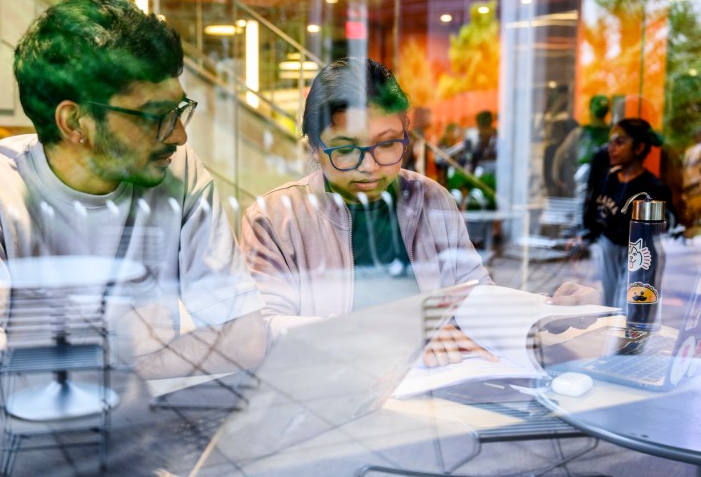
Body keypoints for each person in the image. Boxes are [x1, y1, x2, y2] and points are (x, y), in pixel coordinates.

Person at [0, 0, 266, 379]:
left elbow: (244, 338)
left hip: (148, 415)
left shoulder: (179, 173)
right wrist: (128, 376)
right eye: (156, 116)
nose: (179, 136)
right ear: (74, 122)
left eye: (179, 111)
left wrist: (107, 382)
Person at [240, 57, 598, 367]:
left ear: (405, 134)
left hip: (438, 392)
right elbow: (265, 331)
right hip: (336, 399)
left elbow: (474, 295)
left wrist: (545, 309)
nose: (370, 166)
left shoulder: (431, 199)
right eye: (346, 149)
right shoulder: (275, 219)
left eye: (387, 144)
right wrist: (397, 332)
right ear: (315, 148)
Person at [580, 118, 673, 308]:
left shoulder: (653, 189)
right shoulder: (607, 179)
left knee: (628, 308)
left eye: (620, 142)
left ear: (639, 148)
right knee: (607, 306)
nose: (611, 148)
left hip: (637, 253)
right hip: (607, 248)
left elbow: (662, 232)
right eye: (611, 142)